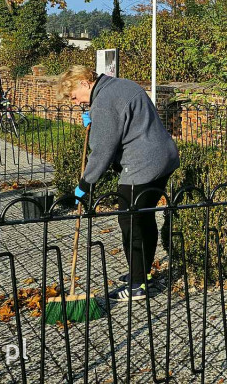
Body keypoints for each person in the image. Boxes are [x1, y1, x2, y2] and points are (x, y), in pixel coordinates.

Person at [57, 66, 180, 302]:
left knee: (130, 221)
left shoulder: (103, 101)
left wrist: (85, 184)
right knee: (144, 217)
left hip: (143, 164)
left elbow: (102, 150)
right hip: (163, 157)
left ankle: (137, 286)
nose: (75, 102)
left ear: (84, 82)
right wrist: (95, 120)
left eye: (73, 96)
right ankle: (142, 274)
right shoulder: (120, 85)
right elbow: (121, 124)